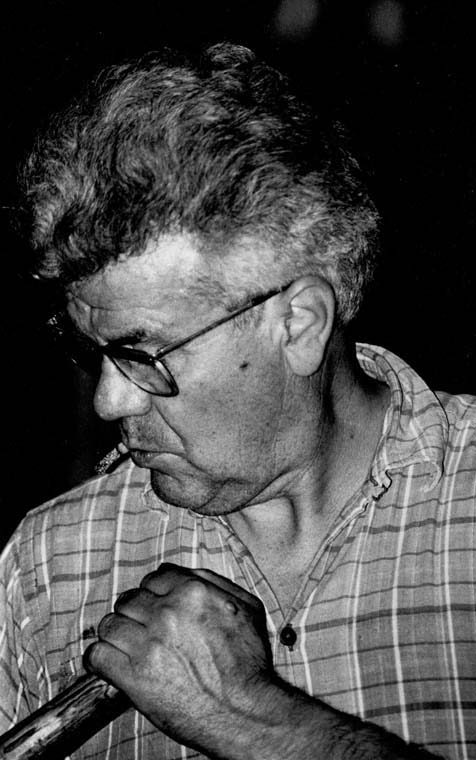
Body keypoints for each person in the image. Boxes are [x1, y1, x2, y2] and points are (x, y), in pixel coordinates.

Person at [0, 42, 475, 760]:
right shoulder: (47, 564)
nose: (108, 401)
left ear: (300, 325)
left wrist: (252, 719)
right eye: (93, 351)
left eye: (145, 354)